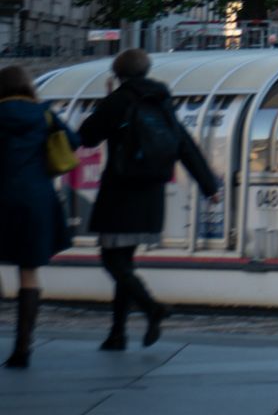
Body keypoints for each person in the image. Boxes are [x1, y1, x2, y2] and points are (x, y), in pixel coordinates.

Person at [73, 50, 220, 349]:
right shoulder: (161, 101)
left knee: (112, 260)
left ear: (117, 73)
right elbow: (183, 144)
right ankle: (117, 334)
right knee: (124, 262)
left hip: (121, 190)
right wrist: (208, 185)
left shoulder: (119, 100)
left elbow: (87, 136)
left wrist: (105, 103)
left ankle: (152, 307)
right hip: (151, 192)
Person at [2, 64, 76, 368]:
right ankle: (23, 349)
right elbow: (73, 142)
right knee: (28, 272)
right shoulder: (44, 115)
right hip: (36, 199)